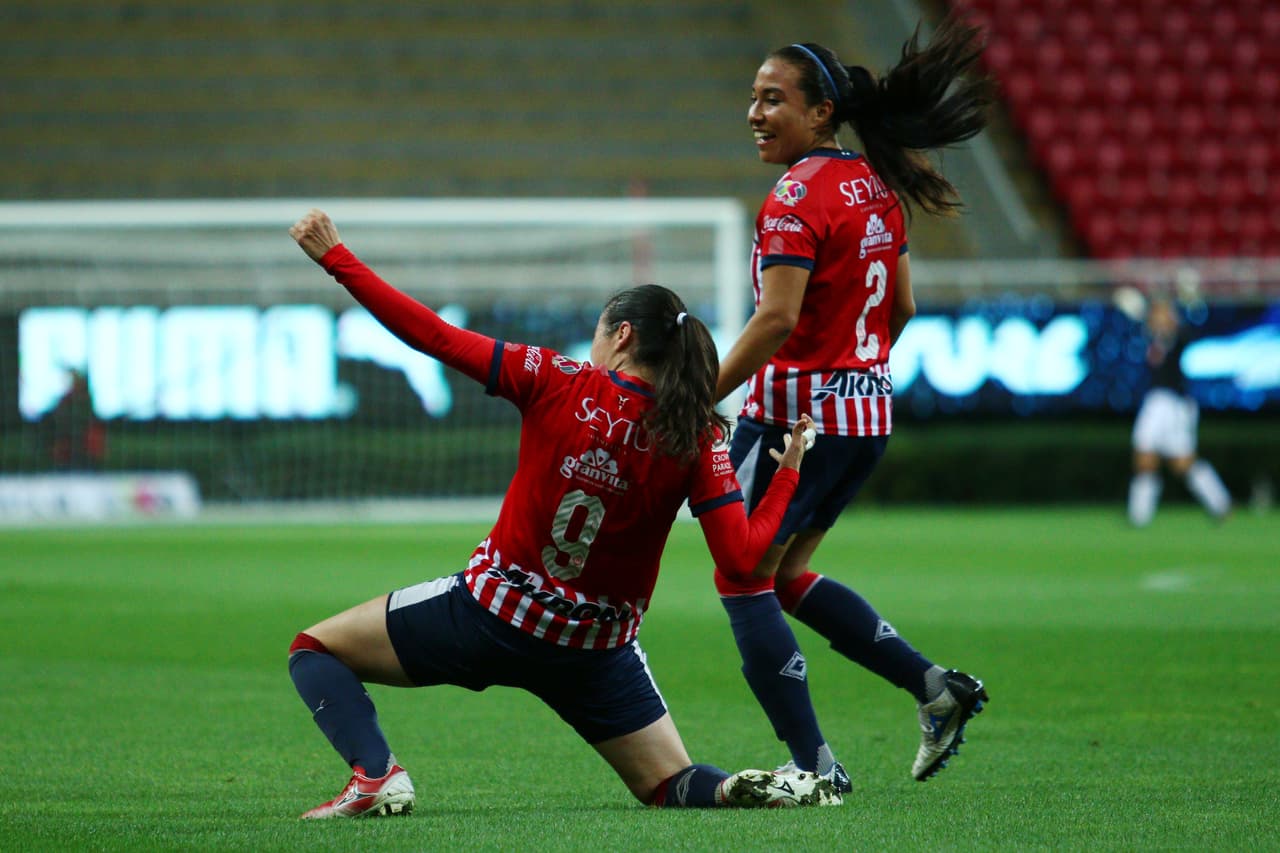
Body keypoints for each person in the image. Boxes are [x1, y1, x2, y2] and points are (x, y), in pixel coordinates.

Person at [285, 208, 839, 819]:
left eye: (601, 332)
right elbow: (741, 559)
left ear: (622, 336)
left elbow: (433, 336)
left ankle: (376, 775)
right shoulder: (697, 435)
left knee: (314, 650)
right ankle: (734, 787)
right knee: (670, 783)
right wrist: (787, 473)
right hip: (595, 651)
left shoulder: (556, 379)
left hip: (491, 617)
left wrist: (338, 259)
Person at [710, 16, 993, 786]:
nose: (755, 113)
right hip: (864, 415)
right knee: (787, 575)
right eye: (753, 97)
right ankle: (934, 688)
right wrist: (854, 373)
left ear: (821, 112)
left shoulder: (795, 196)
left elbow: (775, 319)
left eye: (774, 99)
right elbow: (901, 308)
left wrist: (701, 396)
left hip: (791, 422)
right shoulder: (876, 187)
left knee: (742, 577)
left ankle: (815, 766)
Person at [1127, 297, 1232, 526]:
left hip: (1173, 404)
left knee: (1182, 462)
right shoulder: (1152, 339)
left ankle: (1220, 503)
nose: (1157, 317)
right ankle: (1139, 515)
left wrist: (1178, 312)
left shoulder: (1177, 337)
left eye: (1163, 313)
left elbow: (1184, 333)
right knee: (1145, 457)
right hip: (1156, 401)